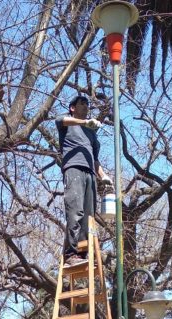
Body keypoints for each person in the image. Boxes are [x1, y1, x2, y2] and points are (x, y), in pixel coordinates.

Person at [57, 95, 110, 267]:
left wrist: (104, 176)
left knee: (89, 216)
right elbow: (60, 120)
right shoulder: (68, 124)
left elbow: (95, 160)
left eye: (87, 104)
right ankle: (70, 253)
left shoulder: (91, 134)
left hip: (90, 174)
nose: (86, 106)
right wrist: (84, 123)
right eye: (82, 104)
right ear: (72, 108)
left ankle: (83, 252)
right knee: (75, 210)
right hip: (74, 169)